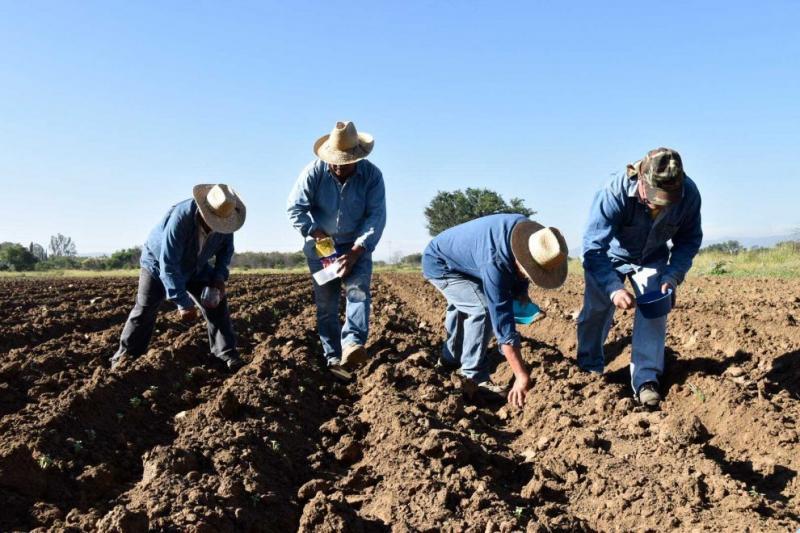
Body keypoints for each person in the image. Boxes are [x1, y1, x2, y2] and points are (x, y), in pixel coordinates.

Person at [577, 147, 702, 407]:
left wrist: (672, 275)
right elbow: (593, 247)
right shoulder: (613, 191)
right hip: (608, 257)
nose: (659, 204)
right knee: (596, 311)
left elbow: (689, 240)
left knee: (655, 308)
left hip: (652, 257)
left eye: (667, 199)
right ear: (641, 180)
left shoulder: (688, 194)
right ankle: (589, 369)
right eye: (655, 196)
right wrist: (613, 288)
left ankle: (646, 379)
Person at [422, 214, 568, 407]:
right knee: (481, 308)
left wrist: (521, 291)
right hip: (439, 263)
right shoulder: (495, 261)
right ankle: (473, 376)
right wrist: (521, 375)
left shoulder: (528, 235)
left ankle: (450, 360)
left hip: (462, 258)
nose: (528, 276)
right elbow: (502, 324)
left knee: (466, 302)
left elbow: (518, 269)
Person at [110, 184, 246, 372]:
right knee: (145, 308)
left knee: (217, 302)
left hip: (196, 265)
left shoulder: (226, 220)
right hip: (158, 263)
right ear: (204, 212)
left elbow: (225, 252)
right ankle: (124, 360)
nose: (217, 225)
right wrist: (183, 303)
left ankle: (226, 355)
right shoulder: (181, 218)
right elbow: (169, 265)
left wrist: (219, 278)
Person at [287, 121, 386, 372]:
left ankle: (352, 344)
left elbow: (376, 217)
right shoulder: (314, 172)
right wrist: (318, 235)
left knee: (358, 292)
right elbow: (295, 209)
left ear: (357, 158)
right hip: (323, 244)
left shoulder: (372, 176)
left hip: (357, 244)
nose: (338, 167)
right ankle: (332, 357)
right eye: (334, 162)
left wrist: (355, 252)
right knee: (327, 303)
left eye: (344, 163)